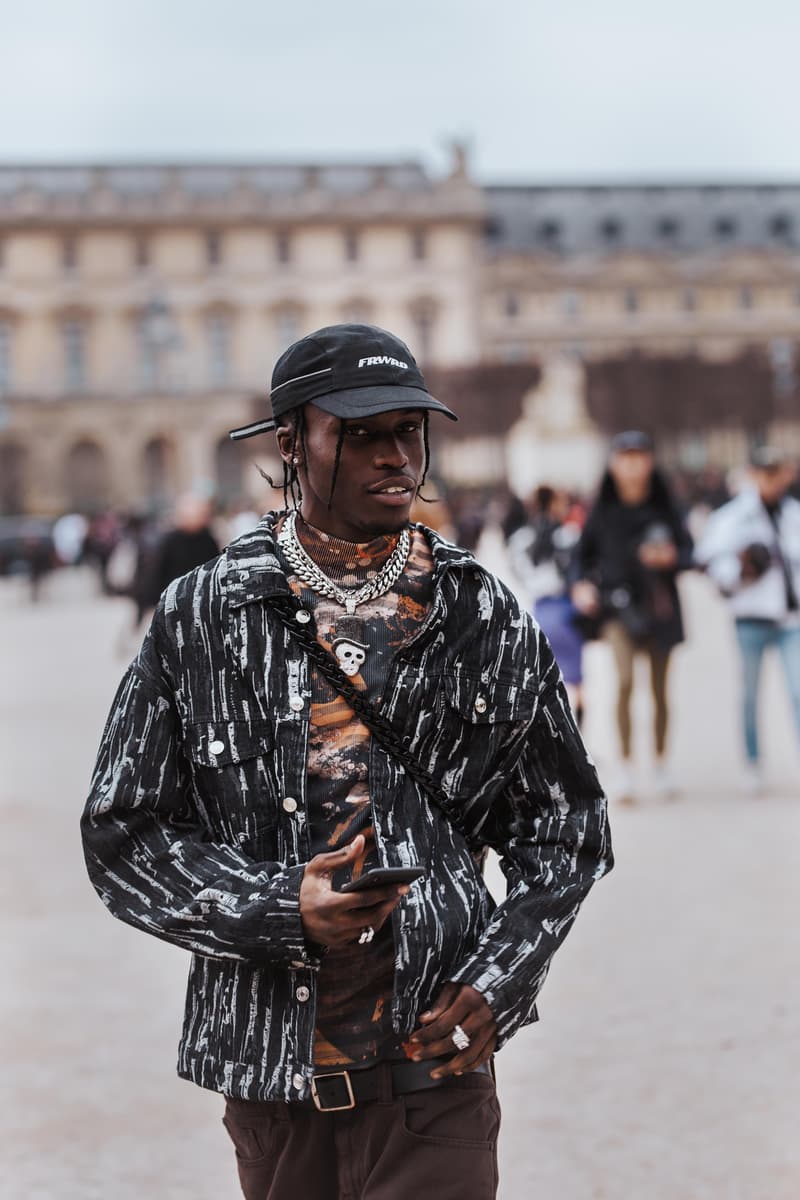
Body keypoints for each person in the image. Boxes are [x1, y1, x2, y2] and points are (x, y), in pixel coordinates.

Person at [81, 323, 613, 1200]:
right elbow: (122, 837)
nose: (395, 456)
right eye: (360, 434)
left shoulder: (479, 612)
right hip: (272, 1082)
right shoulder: (203, 617)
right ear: (292, 443)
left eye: (409, 430)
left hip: (435, 1079)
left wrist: (500, 980)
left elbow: (569, 829)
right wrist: (280, 907)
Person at [571, 431, 694, 802]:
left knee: (659, 690)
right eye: (626, 457)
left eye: (640, 456)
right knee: (623, 682)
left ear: (650, 462)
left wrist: (671, 559)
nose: (633, 465)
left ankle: (659, 763)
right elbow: (580, 558)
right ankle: (624, 766)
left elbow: (689, 551)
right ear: (613, 463)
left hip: (659, 608)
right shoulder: (602, 508)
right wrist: (580, 586)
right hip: (617, 609)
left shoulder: (665, 506)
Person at [696, 446, 800, 792]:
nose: (771, 480)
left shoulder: (795, 513)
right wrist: (741, 569)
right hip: (751, 616)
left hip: (790, 618)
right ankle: (753, 763)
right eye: (764, 473)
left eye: (777, 472)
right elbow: (710, 563)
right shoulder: (731, 517)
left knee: (798, 691)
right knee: (751, 694)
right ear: (753, 474)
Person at [507, 486, 586, 725]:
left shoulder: (521, 539)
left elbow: (519, 572)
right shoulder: (568, 535)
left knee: (545, 677)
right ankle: (577, 734)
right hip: (565, 608)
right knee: (576, 679)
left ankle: (554, 732)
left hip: (539, 611)